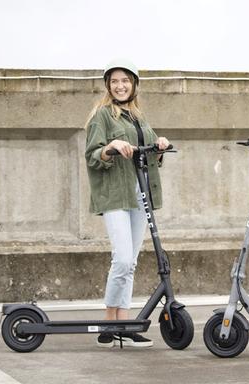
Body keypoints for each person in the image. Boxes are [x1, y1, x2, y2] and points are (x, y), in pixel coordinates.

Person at [85, 58, 170, 348]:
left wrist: (159, 145)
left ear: (134, 84)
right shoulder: (102, 116)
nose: (120, 86)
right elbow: (92, 156)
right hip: (115, 196)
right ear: (108, 86)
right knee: (121, 259)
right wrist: (110, 148)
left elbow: (147, 157)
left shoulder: (138, 118)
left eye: (126, 81)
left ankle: (125, 323)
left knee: (130, 261)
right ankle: (109, 323)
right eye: (115, 81)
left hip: (139, 194)